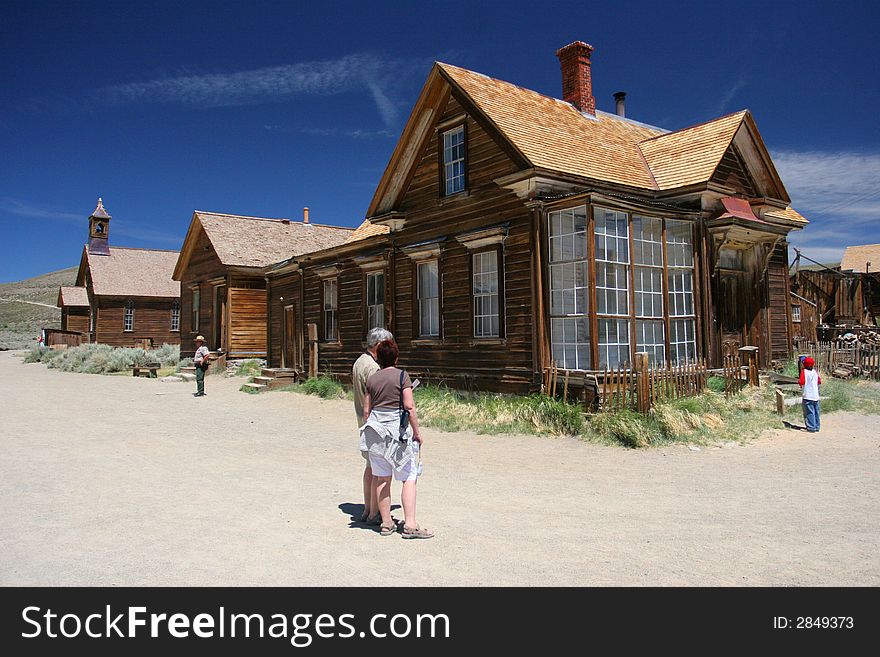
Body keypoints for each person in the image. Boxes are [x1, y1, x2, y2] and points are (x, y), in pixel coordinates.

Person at [361, 339, 433, 539]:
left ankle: (386, 523)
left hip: (375, 431)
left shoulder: (372, 379)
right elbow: (409, 407)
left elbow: (367, 411)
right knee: (409, 476)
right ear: (396, 357)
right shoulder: (402, 376)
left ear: (378, 358)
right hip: (396, 431)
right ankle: (410, 524)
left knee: (382, 478)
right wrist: (417, 432)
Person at [352, 327, 394, 524]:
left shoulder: (360, 361)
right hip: (374, 422)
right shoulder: (372, 368)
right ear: (378, 345)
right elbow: (377, 395)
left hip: (364, 419)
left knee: (370, 467)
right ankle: (374, 512)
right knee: (378, 471)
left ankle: (368, 508)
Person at [799, 356, 821, 432]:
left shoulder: (804, 372)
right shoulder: (815, 372)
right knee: (816, 412)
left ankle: (811, 427)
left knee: (809, 412)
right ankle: (817, 426)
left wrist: (801, 386)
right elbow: (819, 382)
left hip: (808, 395)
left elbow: (801, 382)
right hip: (816, 396)